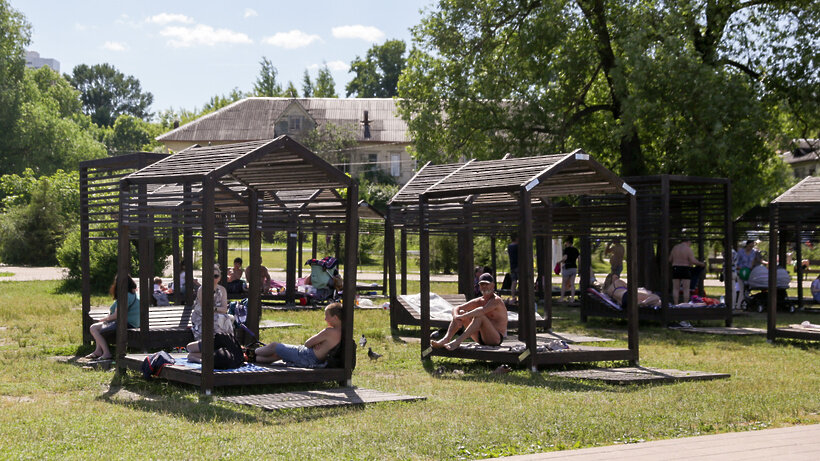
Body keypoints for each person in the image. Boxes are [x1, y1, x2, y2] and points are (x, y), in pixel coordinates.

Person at [431, 273, 508, 351]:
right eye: (482, 284)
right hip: (480, 338)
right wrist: (456, 317)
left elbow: (482, 310)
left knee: (480, 316)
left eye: (486, 284)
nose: (484, 287)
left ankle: (457, 341)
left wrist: (463, 317)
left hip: (495, 339)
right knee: (460, 312)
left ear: (493, 285)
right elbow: (456, 308)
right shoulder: (479, 300)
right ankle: (446, 339)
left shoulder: (496, 300)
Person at [254, 303, 343, 367]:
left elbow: (307, 344)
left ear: (335, 317)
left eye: (327, 316)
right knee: (277, 355)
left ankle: (251, 352)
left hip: (306, 356)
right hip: (314, 360)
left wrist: (315, 343)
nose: (325, 319)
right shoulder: (341, 332)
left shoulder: (329, 331)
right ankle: (252, 358)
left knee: (274, 346)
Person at [85, 275, 140, 360]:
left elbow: (116, 315)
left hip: (126, 323)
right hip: (134, 323)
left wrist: (103, 319)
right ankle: (98, 351)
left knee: (93, 328)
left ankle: (106, 353)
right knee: (99, 327)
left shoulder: (124, 296)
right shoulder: (135, 294)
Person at [186, 264, 231, 362]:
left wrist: (214, 309)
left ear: (219, 277)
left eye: (216, 276)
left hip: (217, 315)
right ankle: (214, 342)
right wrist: (217, 309)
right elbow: (205, 308)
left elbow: (225, 309)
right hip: (202, 317)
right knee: (218, 318)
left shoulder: (222, 290)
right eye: (211, 276)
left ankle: (225, 342)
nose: (214, 279)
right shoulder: (202, 289)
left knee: (226, 318)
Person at [669, 239, 706, 304]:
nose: (690, 245)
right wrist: (701, 264)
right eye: (690, 243)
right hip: (685, 268)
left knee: (675, 288)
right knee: (686, 289)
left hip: (675, 268)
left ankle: (675, 304)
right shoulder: (688, 249)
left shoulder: (675, 248)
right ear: (688, 242)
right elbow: (693, 261)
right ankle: (685, 304)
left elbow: (670, 259)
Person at [560, 237, 580, 302]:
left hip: (567, 267)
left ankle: (562, 298)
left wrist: (560, 261)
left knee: (564, 283)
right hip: (574, 267)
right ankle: (572, 298)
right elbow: (579, 258)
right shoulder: (576, 250)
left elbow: (565, 258)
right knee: (572, 283)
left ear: (568, 242)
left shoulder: (566, 249)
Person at [507, 235, 519, 302]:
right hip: (518, 266)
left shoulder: (509, 246)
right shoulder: (517, 246)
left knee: (514, 282)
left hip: (512, 265)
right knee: (522, 281)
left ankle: (513, 296)